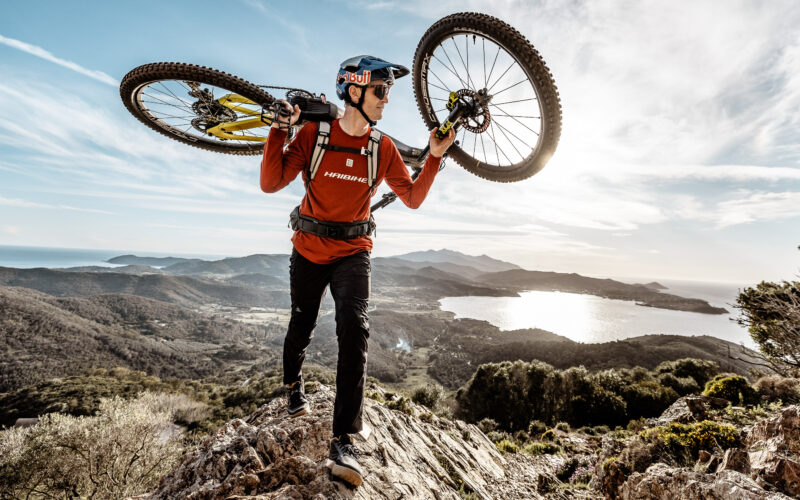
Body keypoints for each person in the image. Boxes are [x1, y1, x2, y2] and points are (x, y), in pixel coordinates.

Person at [259, 55, 455, 487]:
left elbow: (412, 197)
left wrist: (435, 157)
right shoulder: (313, 135)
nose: (387, 101)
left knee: (354, 324)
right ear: (353, 91)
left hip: (354, 250)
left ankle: (344, 439)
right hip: (308, 249)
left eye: (388, 93)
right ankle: (293, 384)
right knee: (302, 324)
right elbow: (271, 183)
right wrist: (279, 131)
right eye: (380, 91)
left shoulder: (381, 148)